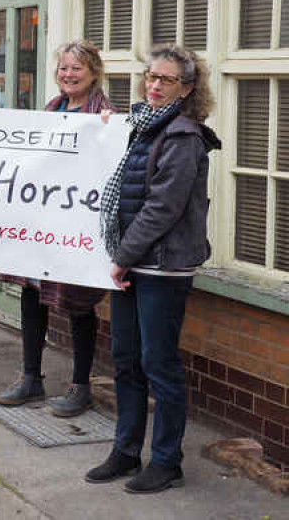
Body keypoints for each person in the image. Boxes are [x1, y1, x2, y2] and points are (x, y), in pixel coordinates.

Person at [86, 45, 219, 494]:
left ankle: (166, 460)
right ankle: (125, 450)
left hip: (162, 267)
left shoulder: (183, 137)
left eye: (166, 80)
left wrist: (122, 256)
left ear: (187, 90)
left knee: (158, 364)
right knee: (125, 360)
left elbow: (163, 208)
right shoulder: (141, 127)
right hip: (133, 262)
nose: (155, 85)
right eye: (151, 76)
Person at [0, 41, 114, 416]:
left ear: (93, 72)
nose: (68, 75)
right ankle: (31, 377)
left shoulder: (105, 116)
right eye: (63, 68)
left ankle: (81, 386)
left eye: (76, 69)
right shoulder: (52, 109)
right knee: (31, 293)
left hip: (78, 226)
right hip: (43, 220)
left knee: (78, 303)